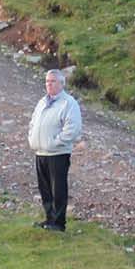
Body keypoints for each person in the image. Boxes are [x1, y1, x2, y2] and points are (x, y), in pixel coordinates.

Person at [26, 67, 83, 231]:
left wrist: (55, 142)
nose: (49, 84)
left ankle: (59, 223)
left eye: (52, 81)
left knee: (58, 189)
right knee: (44, 189)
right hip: (40, 152)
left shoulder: (69, 103)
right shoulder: (42, 102)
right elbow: (32, 123)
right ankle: (49, 219)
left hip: (58, 153)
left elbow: (73, 129)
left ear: (61, 84)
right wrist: (32, 139)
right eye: (47, 81)